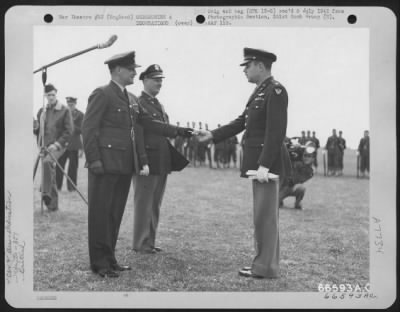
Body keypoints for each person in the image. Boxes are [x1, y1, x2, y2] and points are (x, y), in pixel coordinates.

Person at [82, 51, 193, 278]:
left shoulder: (131, 99)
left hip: (124, 166)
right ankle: (99, 264)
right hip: (104, 165)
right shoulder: (102, 94)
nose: (135, 73)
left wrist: (181, 131)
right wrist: (94, 160)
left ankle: (110, 260)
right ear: (118, 70)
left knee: (114, 215)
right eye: (131, 69)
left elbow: (151, 124)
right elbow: (88, 129)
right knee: (100, 215)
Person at [198, 47, 290, 279]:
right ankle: (263, 264)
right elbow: (242, 122)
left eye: (247, 66)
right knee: (261, 216)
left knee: (265, 217)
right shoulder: (261, 92)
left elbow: (276, 132)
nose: (245, 71)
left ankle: (266, 267)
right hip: (259, 165)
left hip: (264, 167)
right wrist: (213, 135)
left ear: (260, 66)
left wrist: (265, 165)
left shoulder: (275, 91)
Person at [133, 64, 189, 254]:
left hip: (161, 160)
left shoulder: (158, 104)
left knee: (155, 203)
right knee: (144, 203)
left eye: (161, 80)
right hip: (147, 161)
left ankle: (149, 241)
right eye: (156, 79)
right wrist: (142, 160)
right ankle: (141, 242)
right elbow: (139, 134)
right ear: (144, 80)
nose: (159, 83)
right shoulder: (138, 103)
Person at [34, 84, 73, 211]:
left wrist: (56, 145)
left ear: (56, 94)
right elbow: (39, 131)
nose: (51, 97)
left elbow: (69, 131)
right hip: (45, 147)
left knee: (47, 163)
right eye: (48, 95)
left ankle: (45, 192)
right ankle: (53, 206)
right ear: (45, 96)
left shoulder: (64, 110)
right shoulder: (42, 111)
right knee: (49, 172)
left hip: (59, 146)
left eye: (53, 94)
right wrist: (35, 128)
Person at [56, 96, 84, 191]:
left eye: (71, 105)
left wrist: (71, 125)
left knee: (73, 168)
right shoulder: (62, 113)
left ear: (75, 104)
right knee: (59, 167)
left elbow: (81, 130)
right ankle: (57, 186)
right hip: (63, 145)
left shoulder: (80, 115)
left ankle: (72, 188)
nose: (70, 106)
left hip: (74, 146)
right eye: (68, 104)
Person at [279, 138, 314, 209]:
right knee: (275, 204)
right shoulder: (290, 161)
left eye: (309, 156)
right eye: (305, 156)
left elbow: (302, 176)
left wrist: (299, 154)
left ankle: (297, 203)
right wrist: (288, 151)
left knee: (301, 188)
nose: (307, 158)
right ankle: (279, 200)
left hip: (290, 187)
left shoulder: (308, 170)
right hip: (280, 187)